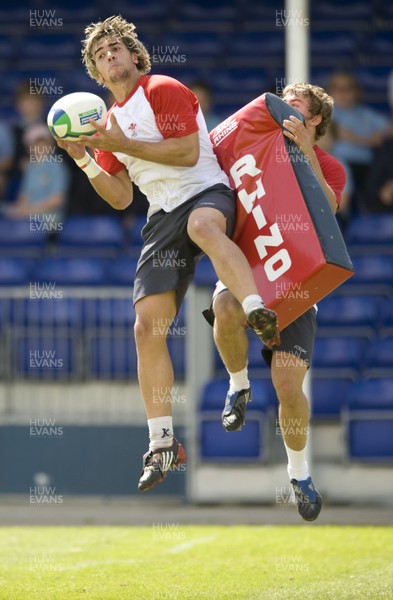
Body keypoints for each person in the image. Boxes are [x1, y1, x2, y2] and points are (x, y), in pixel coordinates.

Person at [52, 15, 280, 493]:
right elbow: (118, 197)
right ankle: (162, 444)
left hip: (205, 192)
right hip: (162, 216)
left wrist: (119, 143)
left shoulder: (162, 87)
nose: (109, 56)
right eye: (100, 54)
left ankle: (257, 310)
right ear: (95, 73)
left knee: (202, 226)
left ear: (135, 56)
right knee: (146, 326)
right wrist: (82, 156)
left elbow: (185, 155)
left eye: (116, 48)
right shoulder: (107, 124)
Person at [204, 83, 346, 522]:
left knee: (288, 387)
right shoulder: (254, 144)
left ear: (315, 119)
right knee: (227, 309)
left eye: (297, 104)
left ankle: (299, 475)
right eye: (283, 99)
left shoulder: (327, 163)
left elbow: (330, 208)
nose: (285, 106)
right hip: (249, 269)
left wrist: (304, 152)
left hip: (297, 282)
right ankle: (238, 385)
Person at [326, 72, 391, 210]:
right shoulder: (326, 112)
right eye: (337, 88)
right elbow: (337, 132)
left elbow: (389, 128)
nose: (343, 92)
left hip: (367, 167)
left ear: (356, 91)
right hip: (337, 164)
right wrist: (369, 140)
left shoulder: (365, 113)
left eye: (348, 88)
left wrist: (381, 137)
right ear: (329, 92)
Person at [2, 123, 68, 226]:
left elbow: (58, 199)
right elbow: (24, 195)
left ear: (51, 145)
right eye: (35, 144)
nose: (40, 148)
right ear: (29, 148)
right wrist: (20, 209)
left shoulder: (57, 166)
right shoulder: (30, 168)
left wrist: (32, 211)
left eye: (43, 143)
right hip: (29, 216)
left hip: (50, 217)